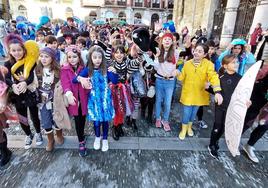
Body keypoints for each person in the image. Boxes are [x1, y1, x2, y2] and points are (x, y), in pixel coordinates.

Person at [176, 44, 223, 140]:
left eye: (200, 51)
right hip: (188, 94)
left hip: (200, 94)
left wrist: (217, 91)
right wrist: (177, 73)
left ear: (205, 54)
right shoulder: (187, 63)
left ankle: (189, 127)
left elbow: (213, 77)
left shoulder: (209, 64)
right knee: (186, 113)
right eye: (196, 50)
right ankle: (183, 129)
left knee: (193, 114)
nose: (196, 52)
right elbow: (181, 78)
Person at [4, 34, 43, 149]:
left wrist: (25, 82)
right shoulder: (8, 64)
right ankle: (28, 134)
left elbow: (31, 76)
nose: (17, 53)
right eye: (14, 50)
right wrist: (13, 85)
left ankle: (38, 133)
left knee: (34, 115)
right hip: (17, 94)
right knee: (22, 116)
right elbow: (6, 78)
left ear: (23, 50)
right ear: (10, 51)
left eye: (19, 50)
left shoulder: (29, 61)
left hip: (29, 92)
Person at [74, 46, 115, 152]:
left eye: (99, 57)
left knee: (105, 121)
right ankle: (97, 137)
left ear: (102, 59)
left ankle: (105, 139)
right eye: (95, 57)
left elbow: (115, 81)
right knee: (96, 122)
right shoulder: (88, 70)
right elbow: (74, 80)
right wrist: (80, 78)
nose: (97, 60)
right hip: (94, 101)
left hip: (105, 100)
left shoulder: (106, 70)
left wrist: (114, 71)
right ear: (91, 59)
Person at [208, 55, 242, 159]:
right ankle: (211, 145)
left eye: (236, 62)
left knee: (224, 126)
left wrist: (247, 101)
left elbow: (243, 93)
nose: (236, 64)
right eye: (233, 62)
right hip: (220, 106)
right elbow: (214, 89)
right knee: (217, 126)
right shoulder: (220, 77)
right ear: (225, 65)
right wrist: (207, 88)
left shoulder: (240, 78)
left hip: (231, 108)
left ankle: (216, 140)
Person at [242, 36, 268, 163]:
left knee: (264, 126)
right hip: (258, 97)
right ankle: (234, 137)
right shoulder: (265, 68)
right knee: (248, 120)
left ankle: (249, 145)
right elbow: (256, 82)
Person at [60, 45, 89, 157]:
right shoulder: (64, 69)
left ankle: (82, 133)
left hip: (83, 99)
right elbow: (65, 83)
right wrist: (68, 93)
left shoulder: (83, 68)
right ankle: (81, 141)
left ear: (79, 57)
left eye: (74, 56)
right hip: (74, 100)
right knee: (77, 121)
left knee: (83, 119)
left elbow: (88, 82)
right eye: (69, 57)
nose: (72, 59)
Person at [36, 47, 64, 152]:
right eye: (41, 56)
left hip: (55, 99)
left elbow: (61, 84)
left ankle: (59, 135)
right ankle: (50, 140)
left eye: (46, 57)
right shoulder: (37, 69)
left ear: (52, 58)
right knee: (46, 120)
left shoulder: (58, 70)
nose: (43, 59)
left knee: (57, 118)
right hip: (42, 101)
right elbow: (34, 84)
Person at [153, 32, 179, 131]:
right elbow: (155, 67)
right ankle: (158, 118)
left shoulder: (175, 52)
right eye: (165, 39)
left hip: (170, 82)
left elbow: (186, 51)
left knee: (167, 103)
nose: (167, 41)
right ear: (162, 42)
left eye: (169, 39)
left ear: (172, 42)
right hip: (159, 80)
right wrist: (156, 57)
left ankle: (165, 120)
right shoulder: (159, 51)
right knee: (158, 101)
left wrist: (175, 72)